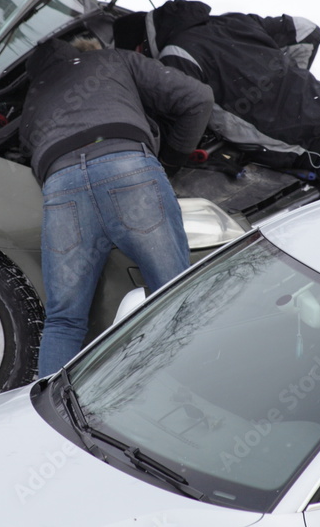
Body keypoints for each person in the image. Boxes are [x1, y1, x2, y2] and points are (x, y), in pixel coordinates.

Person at [20, 36, 213, 377]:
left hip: (61, 184)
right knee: (176, 298)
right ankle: (187, 384)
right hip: (128, 168)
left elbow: (28, 147)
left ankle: (44, 417)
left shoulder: (33, 97)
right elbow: (198, 98)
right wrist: (171, 159)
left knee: (64, 320)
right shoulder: (114, 59)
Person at [113, 0, 320, 196]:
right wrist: (286, 83)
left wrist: (167, 163)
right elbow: (306, 31)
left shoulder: (175, 56)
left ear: (140, 49)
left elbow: (191, 111)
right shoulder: (230, 22)